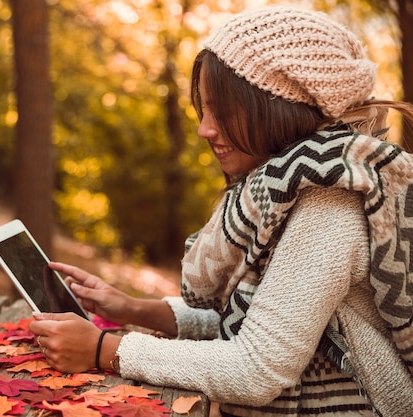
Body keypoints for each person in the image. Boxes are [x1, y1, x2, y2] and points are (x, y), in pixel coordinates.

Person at [29, 6, 413, 416]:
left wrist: (105, 349)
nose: (205, 129)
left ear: (281, 107)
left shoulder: (330, 203)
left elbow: (257, 368)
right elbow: (266, 321)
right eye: (205, 110)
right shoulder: (287, 188)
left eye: (224, 113)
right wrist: (133, 309)